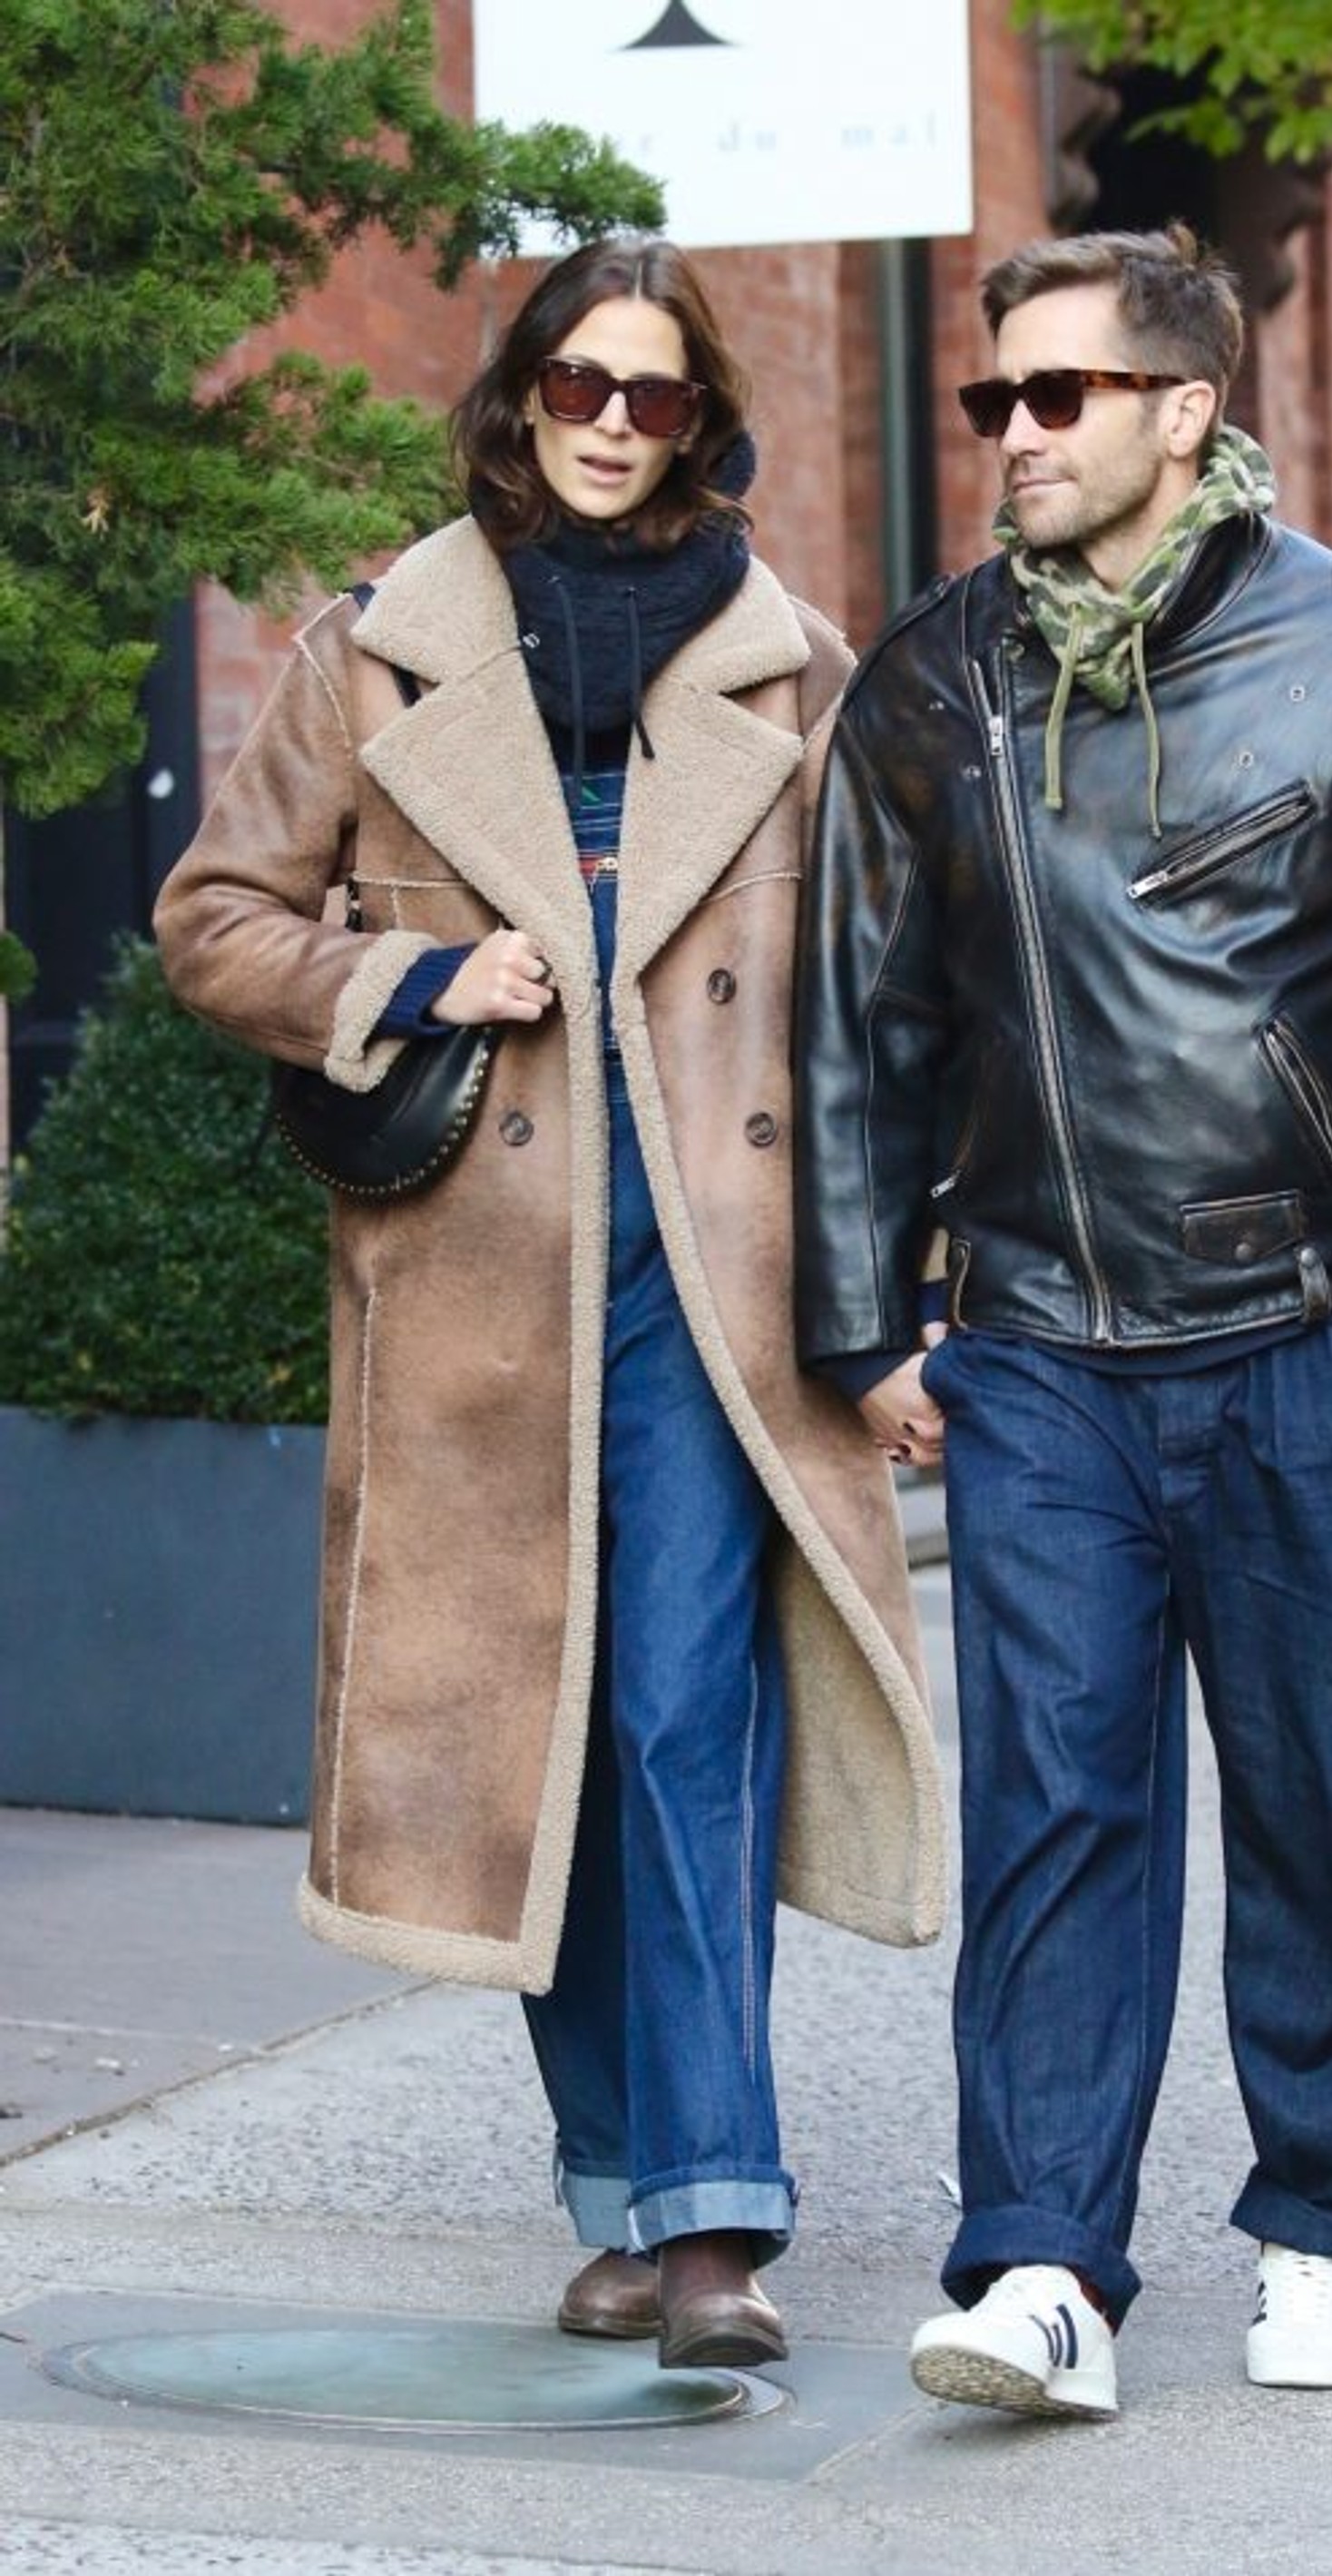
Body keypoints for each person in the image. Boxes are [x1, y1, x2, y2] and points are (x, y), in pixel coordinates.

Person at [155, 235, 944, 2374]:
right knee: (550, 1737)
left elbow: (883, 1009)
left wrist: (901, 1300)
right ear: (518, 396)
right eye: (578, 384)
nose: (610, 423)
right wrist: (413, 974)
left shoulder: (792, 670)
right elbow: (215, 920)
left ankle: (710, 2222)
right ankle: (614, 2192)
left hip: (714, 1282)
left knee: (690, 1712)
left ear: (700, 422)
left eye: (652, 394)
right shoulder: (376, 650)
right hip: (474, 1290)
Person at [795, 225, 1332, 2422]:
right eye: (991, 397)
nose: (1011, 434)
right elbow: (857, 1018)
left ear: (1183, 409)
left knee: (1315, 1802)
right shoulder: (928, 683)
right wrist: (864, 1324)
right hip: (1032, 1346)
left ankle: (1319, 2224)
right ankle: (1042, 2266)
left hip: (1297, 1333)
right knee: (1053, 1811)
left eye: (1057, 395)